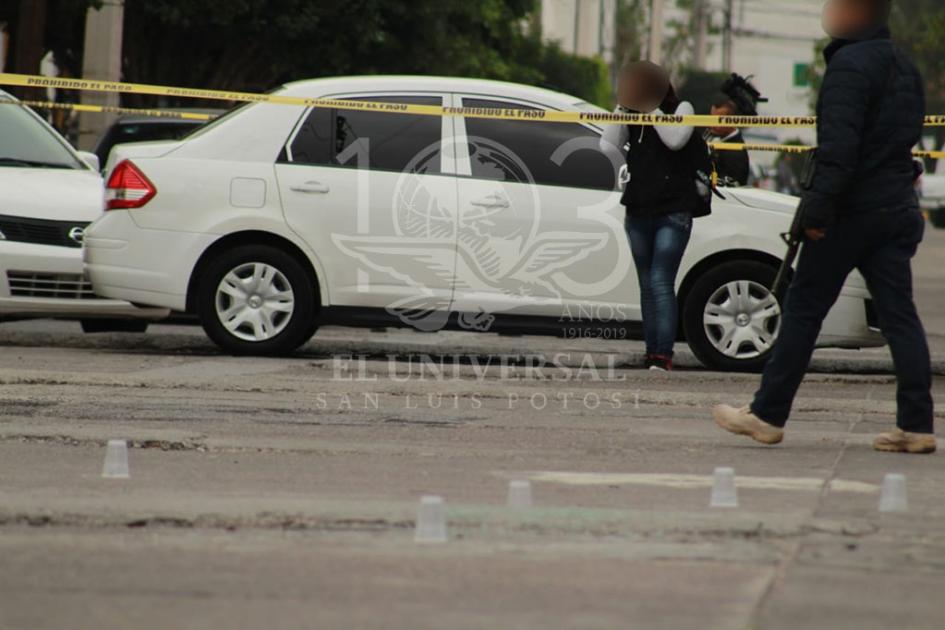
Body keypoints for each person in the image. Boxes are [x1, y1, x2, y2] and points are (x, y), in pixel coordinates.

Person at [713, 0, 935, 454]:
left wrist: (815, 214)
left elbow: (839, 149)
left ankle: (767, 413)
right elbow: (901, 138)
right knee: (900, 317)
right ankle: (916, 424)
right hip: (895, 206)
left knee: (803, 309)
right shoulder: (905, 66)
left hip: (851, 211)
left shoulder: (849, 66)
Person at [601, 61, 711, 372]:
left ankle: (663, 354)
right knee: (646, 285)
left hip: (673, 210)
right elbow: (606, 145)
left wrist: (651, 109)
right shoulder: (632, 114)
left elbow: (675, 140)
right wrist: (621, 109)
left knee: (661, 281)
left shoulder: (681, 109)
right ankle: (652, 352)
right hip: (638, 208)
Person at [705, 97, 751, 186]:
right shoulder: (713, 137)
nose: (712, 124)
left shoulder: (736, 151)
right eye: (711, 118)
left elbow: (730, 184)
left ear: (730, 121)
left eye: (718, 120)